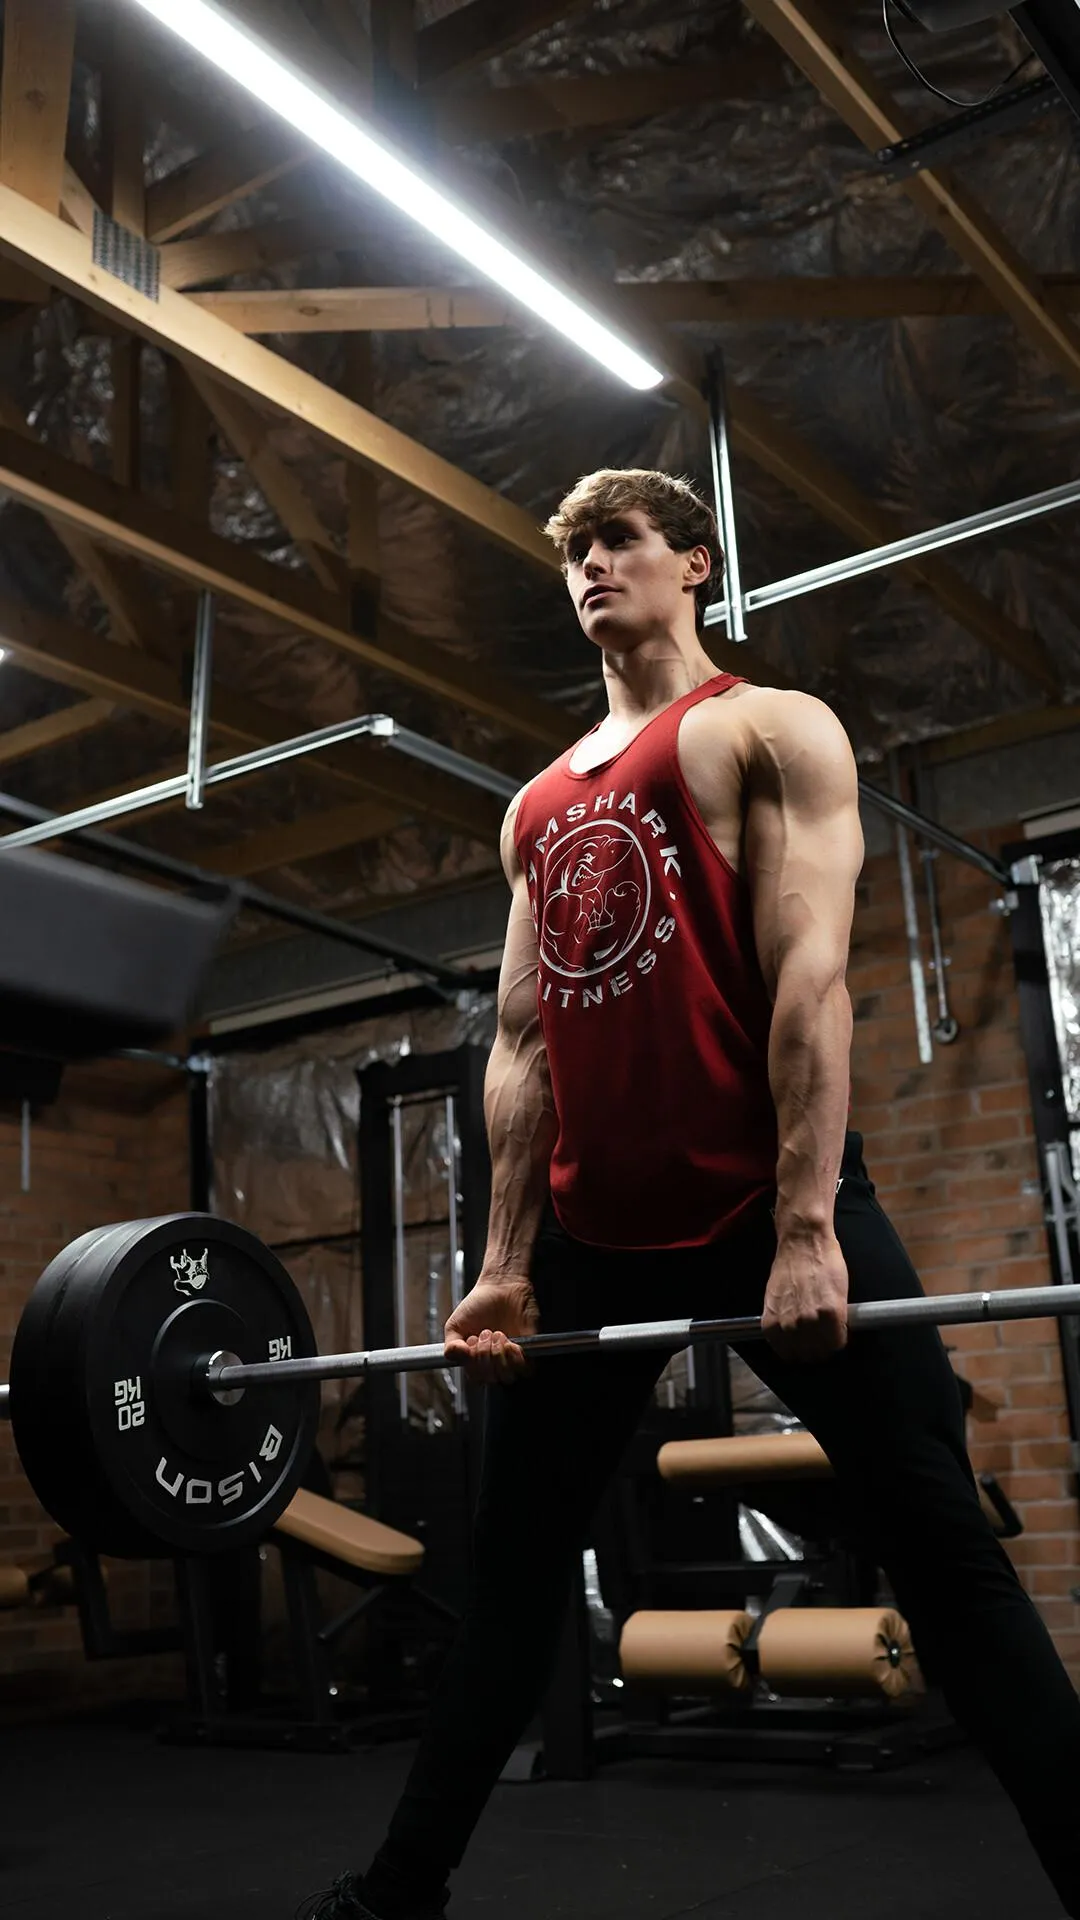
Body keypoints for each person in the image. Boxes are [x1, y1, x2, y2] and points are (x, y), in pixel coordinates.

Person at [302, 469, 1080, 1920]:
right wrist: (501, 1261)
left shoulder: (763, 728)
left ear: (694, 563)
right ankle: (396, 1894)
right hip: (593, 1237)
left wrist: (800, 1228)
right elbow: (526, 1042)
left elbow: (808, 978)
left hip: (768, 1203)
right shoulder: (537, 804)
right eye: (575, 552)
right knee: (513, 1585)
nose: (593, 566)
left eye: (620, 541)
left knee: (948, 1560)